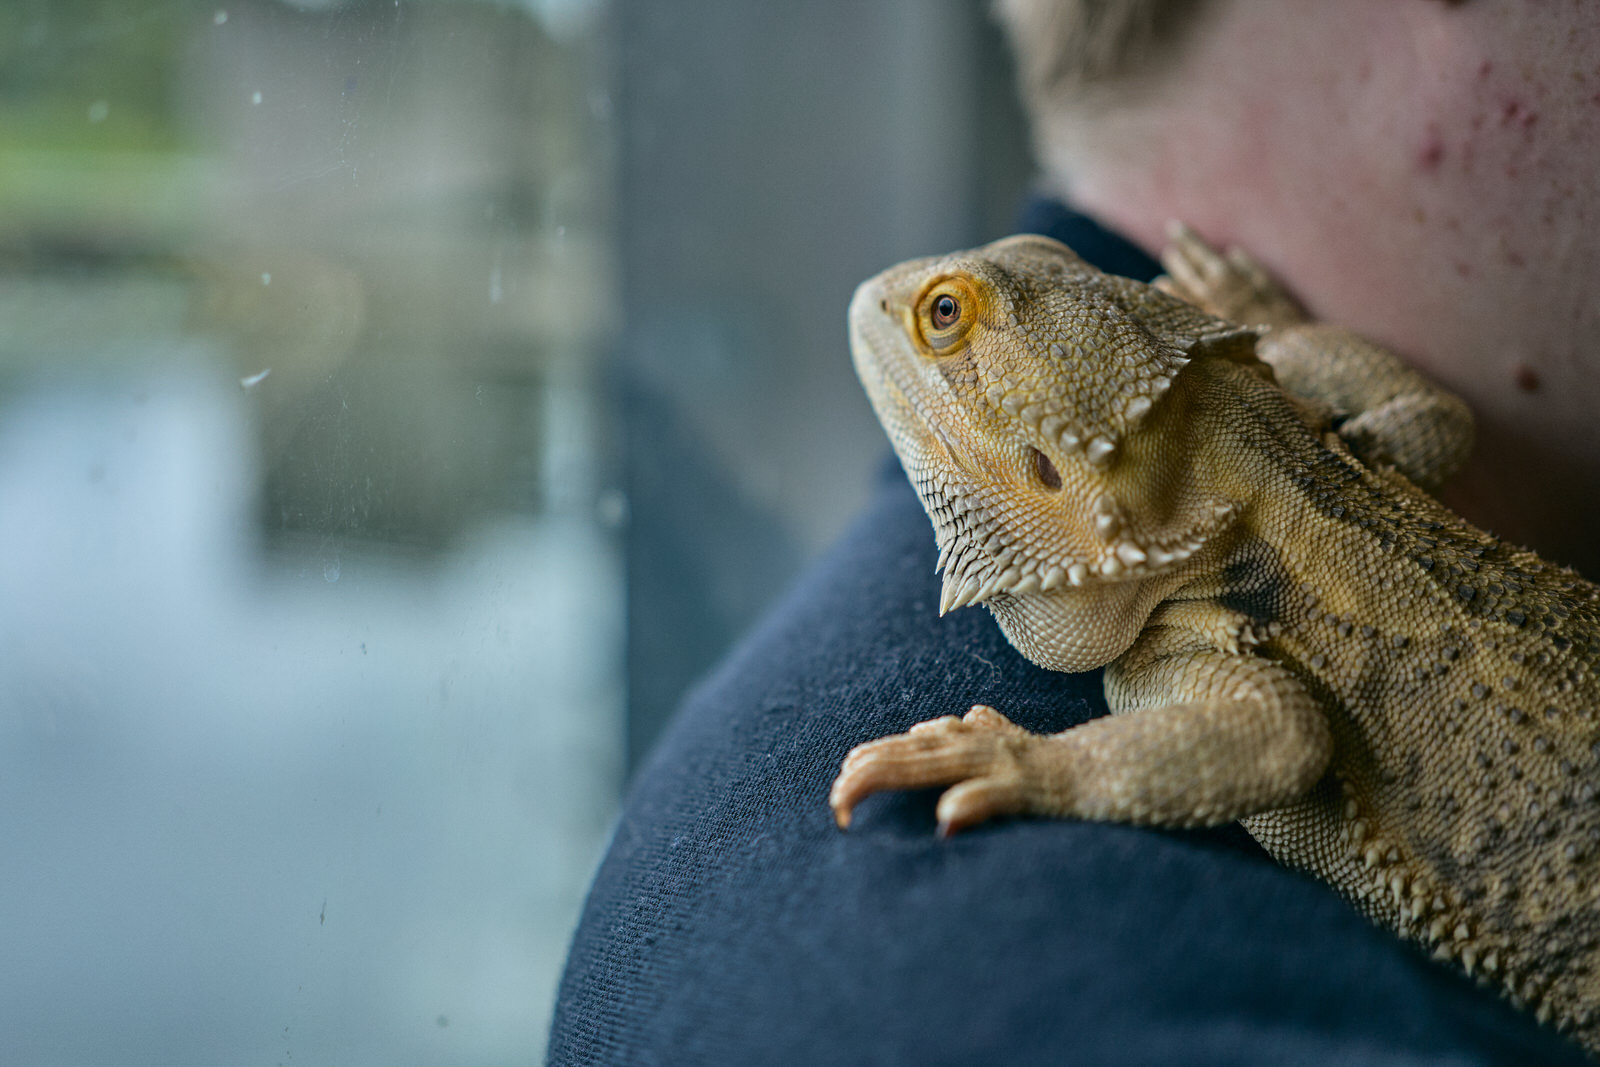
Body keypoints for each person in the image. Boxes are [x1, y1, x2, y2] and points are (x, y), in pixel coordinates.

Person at [546, 2, 1600, 1063]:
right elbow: (1278, 731)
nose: (895, 305)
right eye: (948, 321)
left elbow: (1297, 689)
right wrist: (1051, 772)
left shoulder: (1261, 434)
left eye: (953, 316)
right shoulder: (1020, 975)